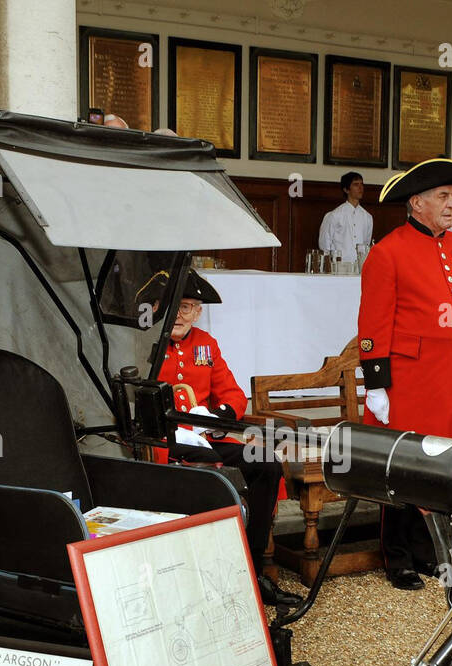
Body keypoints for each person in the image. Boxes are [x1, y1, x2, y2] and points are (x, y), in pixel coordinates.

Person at [359, 158, 452, 589]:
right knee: (406, 466)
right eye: (443, 196)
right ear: (417, 203)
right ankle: (399, 557)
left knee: (442, 466)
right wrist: (376, 383)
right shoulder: (387, 251)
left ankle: (431, 552)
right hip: (410, 380)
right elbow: (372, 324)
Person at [156, 270, 302, 608]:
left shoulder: (206, 343)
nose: (180, 314)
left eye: (189, 307)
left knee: (265, 463)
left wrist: (217, 417)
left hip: (205, 436)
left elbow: (234, 396)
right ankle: (208, 575)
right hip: (164, 442)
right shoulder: (146, 343)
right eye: (175, 306)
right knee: (213, 473)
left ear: (198, 312)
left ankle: (251, 569)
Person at [318, 172, 373, 262]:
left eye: (361, 184)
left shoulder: (368, 217)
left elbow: (366, 243)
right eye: (356, 184)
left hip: (359, 267)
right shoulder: (334, 215)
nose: (360, 188)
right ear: (346, 189)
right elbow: (324, 244)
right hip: (338, 267)